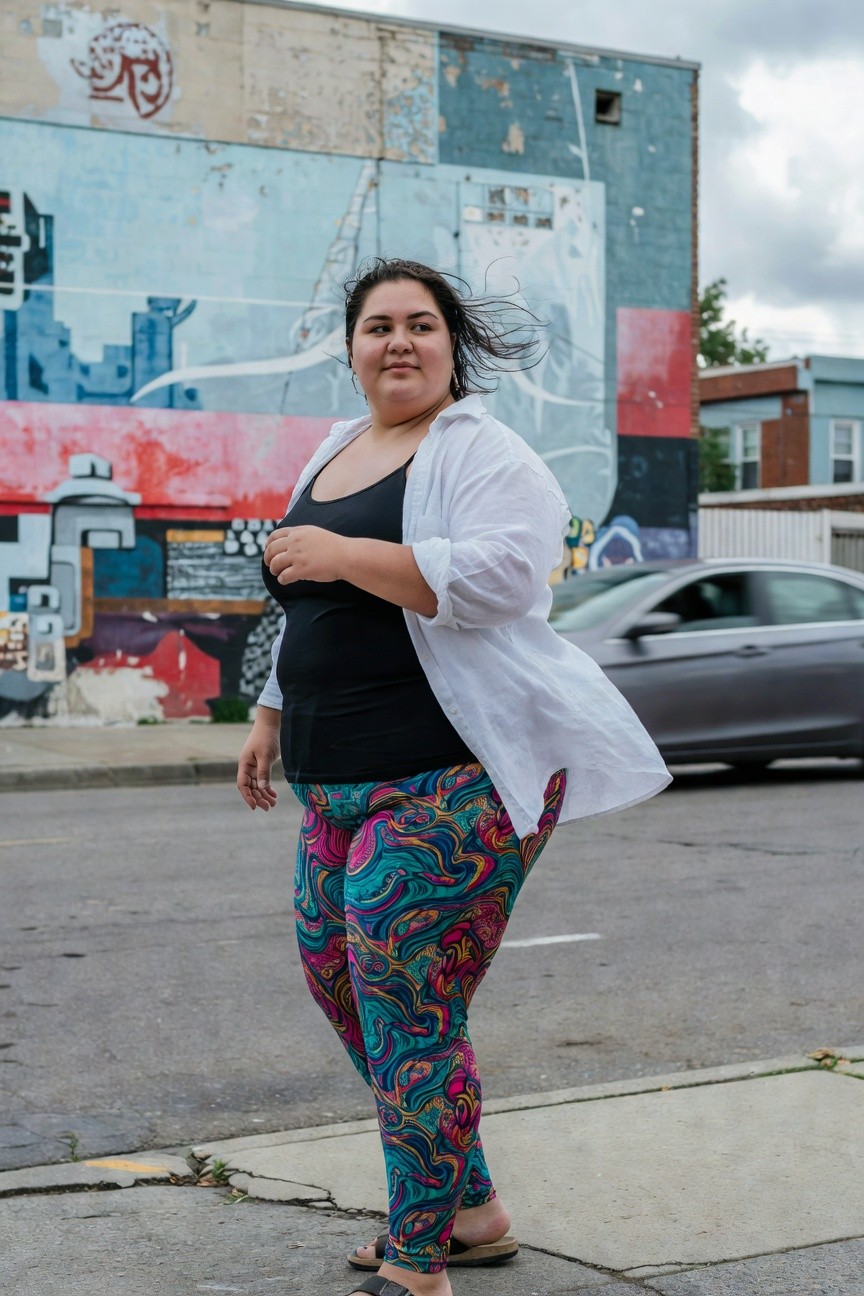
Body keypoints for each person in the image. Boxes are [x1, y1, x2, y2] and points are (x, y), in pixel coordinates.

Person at [236, 258, 670, 1296]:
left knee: (407, 1004)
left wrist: (343, 556)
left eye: (420, 325)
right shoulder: (336, 450)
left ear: (451, 345)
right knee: (343, 988)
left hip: (452, 780)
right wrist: (267, 710)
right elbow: (307, 605)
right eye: (378, 325)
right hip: (332, 784)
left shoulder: (486, 454)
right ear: (347, 349)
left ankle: (420, 1258)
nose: (399, 342)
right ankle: (471, 1210)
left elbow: (507, 579)